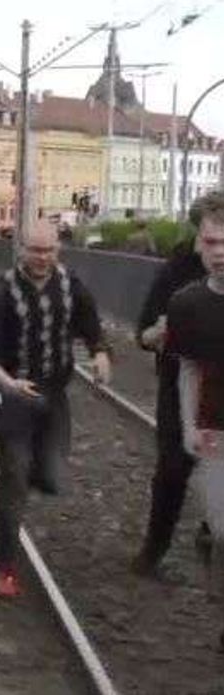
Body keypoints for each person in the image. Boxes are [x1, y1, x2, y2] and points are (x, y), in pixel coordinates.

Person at [0, 220, 111, 598]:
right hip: (11, 396)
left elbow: (89, 322)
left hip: (52, 395)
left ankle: (1, 494)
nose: (42, 258)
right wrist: (4, 379)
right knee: (16, 474)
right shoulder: (0, 293)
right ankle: (3, 569)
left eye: (49, 250)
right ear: (21, 249)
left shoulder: (69, 285)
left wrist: (100, 353)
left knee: (52, 477)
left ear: (58, 250)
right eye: (35, 250)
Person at [131, 193, 214, 579]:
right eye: (209, 238)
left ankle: (210, 530)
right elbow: (143, 333)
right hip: (179, 387)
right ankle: (153, 552)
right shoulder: (176, 272)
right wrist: (158, 333)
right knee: (174, 469)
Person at [164, 192, 224, 651]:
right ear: (199, 244)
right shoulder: (187, 303)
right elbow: (187, 367)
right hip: (213, 431)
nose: (220, 251)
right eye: (211, 241)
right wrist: (187, 424)